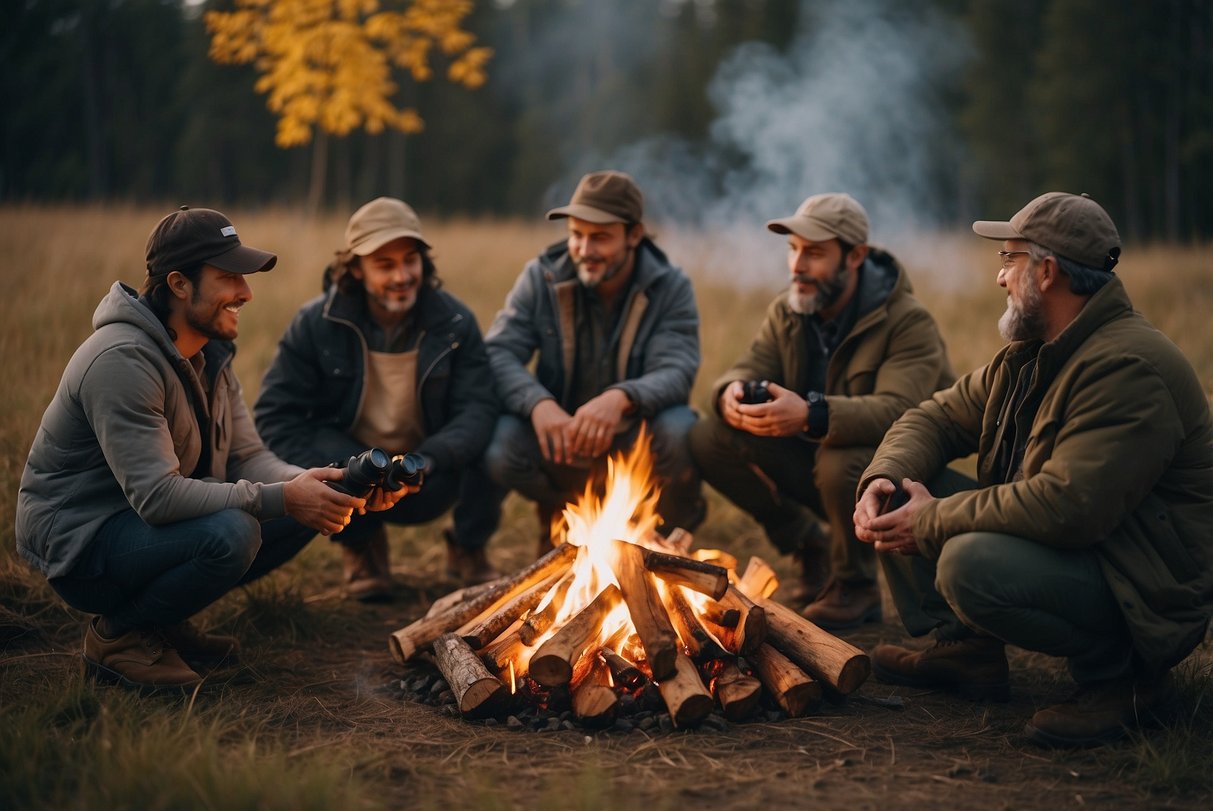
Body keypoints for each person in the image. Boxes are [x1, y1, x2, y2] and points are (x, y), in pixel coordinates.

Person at [854, 192, 1213, 748]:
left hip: (1143, 586)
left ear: (1046, 272)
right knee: (901, 495)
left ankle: (1124, 682)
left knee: (966, 559)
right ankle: (967, 650)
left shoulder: (1127, 368)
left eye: (1009, 259)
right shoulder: (1031, 354)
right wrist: (885, 477)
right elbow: (935, 416)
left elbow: (1069, 507)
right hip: (1092, 555)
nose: (999, 276)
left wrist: (933, 520)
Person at [15, 206, 392, 691]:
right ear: (179, 284)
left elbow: (250, 458)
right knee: (233, 531)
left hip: (140, 529)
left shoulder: (209, 354)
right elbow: (158, 497)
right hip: (83, 544)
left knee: (308, 508)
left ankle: (163, 623)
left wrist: (323, 484)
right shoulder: (122, 360)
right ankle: (120, 637)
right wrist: (283, 497)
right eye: (230, 277)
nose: (246, 293)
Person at [689, 193, 954, 631]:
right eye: (793, 250)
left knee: (839, 459)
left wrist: (812, 415)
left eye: (813, 253)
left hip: (895, 476)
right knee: (706, 437)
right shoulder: (789, 310)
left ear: (855, 256)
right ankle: (808, 544)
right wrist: (729, 395)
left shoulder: (907, 321)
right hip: (821, 465)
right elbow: (745, 369)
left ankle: (856, 586)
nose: (797, 266)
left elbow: (904, 411)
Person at [254, 197, 498, 601]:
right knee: (328, 460)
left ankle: (469, 546)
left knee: (496, 437)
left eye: (410, 260)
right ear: (354, 268)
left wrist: (430, 459)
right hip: (348, 466)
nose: (402, 276)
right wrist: (343, 469)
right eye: (385, 265)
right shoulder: (316, 324)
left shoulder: (455, 322)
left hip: (429, 472)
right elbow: (276, 414)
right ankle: (362, 548)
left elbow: (478, 408)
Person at [458, 170, 703, 552]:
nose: (585, 249)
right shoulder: (542, 277)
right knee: (497, 439)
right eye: (577, 234)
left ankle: (663, 547)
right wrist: (537, 404)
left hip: (630, 438)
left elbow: (678, 369)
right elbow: (499, 352)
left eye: (600, 237)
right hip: (559, 435)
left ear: (634, 235)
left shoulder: (670, 286)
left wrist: (622, 398)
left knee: (680, 429)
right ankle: (563, 524)